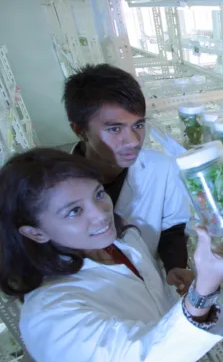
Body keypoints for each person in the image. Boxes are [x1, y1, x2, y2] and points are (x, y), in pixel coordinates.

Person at [0, 148, 223, 362]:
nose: (102, 214)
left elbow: (158, 319)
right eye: (74, 211)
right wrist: (203, 290)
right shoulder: (47, 319)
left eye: (99, 194)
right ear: (36, 232)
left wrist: (195, 291)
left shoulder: (121, 242)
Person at [63, 64, 193, 294]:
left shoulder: (161, 168)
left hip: (154, 287)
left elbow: (172, 226)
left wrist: (175, 266)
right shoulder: (56, 193)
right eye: (115, 129)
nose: (133, 140)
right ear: (80, 130)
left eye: (138, 125)